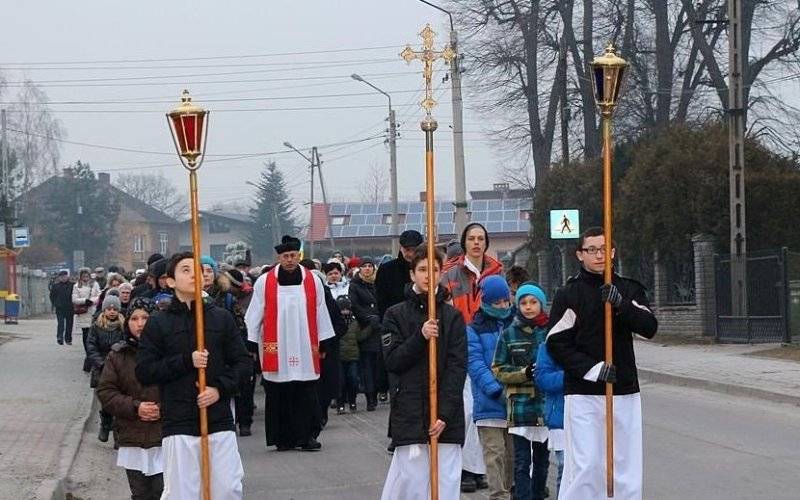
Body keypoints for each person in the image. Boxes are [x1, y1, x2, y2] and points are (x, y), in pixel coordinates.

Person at [546, 227, 658, 499]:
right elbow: (556, 342)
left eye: (603, 249)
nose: (598, 255)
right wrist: (592, 369)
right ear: (580, 255)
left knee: (624, 466)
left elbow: (649, 326)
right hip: (584, 393)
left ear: (613, 252)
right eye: (591, 250)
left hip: (623, 391)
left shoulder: (629, 288)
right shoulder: (569, 295)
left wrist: (621, 304)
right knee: (587, 465)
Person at [136, 251, 251, 499]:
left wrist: (218, 389)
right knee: (182, 493)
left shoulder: (221, 318)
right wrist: (186, 361)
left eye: (196, 270)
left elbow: (243, 364)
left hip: (218, 419)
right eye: (185, 270)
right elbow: (145, 371)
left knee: (227, 489)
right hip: (179, 422)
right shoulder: (159, 323)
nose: (193, 275)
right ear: (170, 281)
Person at [380, 245, 466, 500]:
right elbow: (393, 360)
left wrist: (444, 414)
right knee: (414, 485)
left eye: (435, 269)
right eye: (422, 269)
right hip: (410, 414)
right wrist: (420, 336)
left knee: (446, 485)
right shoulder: (394, 315)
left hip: (445, 419)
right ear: (412, 274)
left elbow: (457, 367)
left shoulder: (453, 318)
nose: (429, 275)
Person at [245, 235, 336, 451]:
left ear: (298, 256)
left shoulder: (312, 280)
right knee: (279, 393)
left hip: (305, 344)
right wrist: (250, 341)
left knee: (306, 392)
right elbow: (255, 312)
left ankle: (307, 437)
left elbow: (321, 310)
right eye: (285, 256)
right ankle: (282, 438)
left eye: (293, 255)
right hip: (277, 345)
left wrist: (324, 341)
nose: (290, 260)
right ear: (279, 257)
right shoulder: (264, 282)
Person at [96, 297, 163, 499]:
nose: (140, 324)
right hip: (132, 434)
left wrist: (162, 408)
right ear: (127, 322)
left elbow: (182, 389)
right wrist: (136, 407)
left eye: (145, 318)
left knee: (165, 491)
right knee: (141, 493)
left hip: (165, 434)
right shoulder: (118, 355)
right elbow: (106, 392)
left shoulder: (168, 351)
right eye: (134, 318)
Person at [493, 283, 550, 500]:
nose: (528, 307)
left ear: (541, 304)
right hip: (520, 408)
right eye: (524, 302)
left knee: (543, 461)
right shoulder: (509, 334)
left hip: (544, 407)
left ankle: (538, 495)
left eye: (533, 302)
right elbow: (498, 369)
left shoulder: (550, 332)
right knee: (522, 461)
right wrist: (524, 372)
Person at [466, 275, 514, 500]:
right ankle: (498, 495)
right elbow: (474, 363)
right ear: (485, 302)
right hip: (489, 402)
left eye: (506, 301)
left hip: (517, 400)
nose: (503, 307)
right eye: (498, 303)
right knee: (494, 453)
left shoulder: (517, 324)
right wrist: (495, 389)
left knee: (512, 455)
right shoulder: (474, 329)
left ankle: (511, 488)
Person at [375, 229, 424, 404]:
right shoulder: (387, 270)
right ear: (401, 249)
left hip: (422, 325)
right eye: (407, 249)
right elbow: (381, 301)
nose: (410, 254)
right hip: (396, 325)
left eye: (414, 249)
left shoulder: (425, 269)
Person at [87, 294, 126, 442]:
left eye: (115, 309)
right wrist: (100, 363)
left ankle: (118, 432)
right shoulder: (97, 326)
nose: (112, 311)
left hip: (119, 369)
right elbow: (91, 346)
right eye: (109, 309)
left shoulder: (123, 326)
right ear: (104, 310)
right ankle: (105, 424)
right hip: (101, 368)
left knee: (119, 401)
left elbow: (126, 344)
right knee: (105, 400)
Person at [348, 256, 382, 411]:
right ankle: (369, 397)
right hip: (365, 329)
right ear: (360, 269)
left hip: (380, 328)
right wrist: (368, 318)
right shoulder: (355, 285)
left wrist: (380, 317)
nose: (367, 269)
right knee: (366, 366)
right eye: (364, 266)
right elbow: (354, 305)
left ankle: (377, 392)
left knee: (377, 366)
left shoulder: (378, 284)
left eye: (370, 266)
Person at [535, 336, 566, 499]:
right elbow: (542, 379)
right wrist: (572, 374)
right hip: (559, 418)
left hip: (589, 417)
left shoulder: (591, 342)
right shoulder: (549, 345)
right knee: (566, 466)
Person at [335, 295, 360, 413]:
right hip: (339, 357)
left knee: (353, 380)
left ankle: (352, 401)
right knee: (340, 382)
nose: (345, 311)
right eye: (342, 309)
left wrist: (371, 327)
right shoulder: (335, 323)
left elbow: (360, 336)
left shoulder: (355, 323)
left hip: (353, 356)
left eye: (347, 309)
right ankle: (340, 403)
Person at [73, 267, 101, 372]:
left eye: (87, 275)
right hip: (83, 313)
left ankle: (91, 357)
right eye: (83, 276)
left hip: (93, 311)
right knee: (85, 335)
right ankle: (88, 354)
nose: (85, 277)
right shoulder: (76, 286)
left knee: (93, 334)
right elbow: (74, 299)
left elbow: (99, 295)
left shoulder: (95, 284)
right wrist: (85, 301)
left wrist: (92, 301)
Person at [50, 270, 74, 345]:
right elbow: (52, 296)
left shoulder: (72, 285)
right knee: (61, 323)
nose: (63, 278)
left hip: (70, 307)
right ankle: (60, 337)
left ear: (67, 276)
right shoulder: (56, 286)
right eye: (61, 277)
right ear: (59, 278)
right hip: (60, 308)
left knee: (69, 324)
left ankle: (68, 339)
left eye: (65, 276)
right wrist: (55, 303)